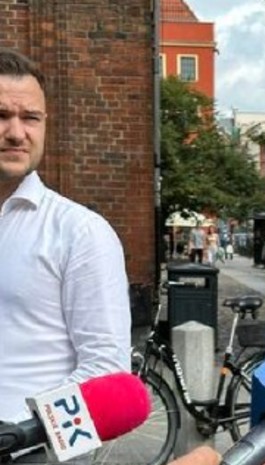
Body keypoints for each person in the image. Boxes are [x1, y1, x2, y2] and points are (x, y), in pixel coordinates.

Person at [0, 48, 131, 460]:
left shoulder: (80, 232)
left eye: (30, 118)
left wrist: (20, 435)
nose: (16, 133)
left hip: (30, 454)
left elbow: (107, 374)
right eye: (1, 115)